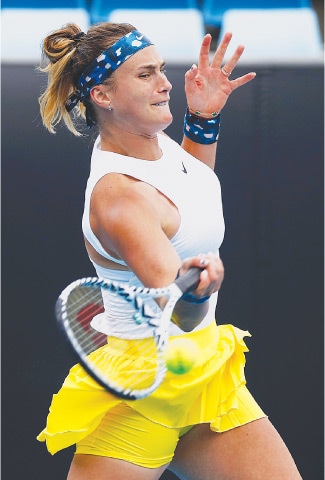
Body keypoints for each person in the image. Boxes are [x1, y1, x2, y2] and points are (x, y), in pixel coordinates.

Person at [36, 22, 302, 480]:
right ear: (103, 95)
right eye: (145, 74)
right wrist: (200, 289)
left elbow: (190, 194)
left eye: (160, 68)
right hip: (138, 395)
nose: (164, 83)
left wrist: (203, 120)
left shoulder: (154, 148)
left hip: (204, 378)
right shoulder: (119, 197)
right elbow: (179, 310)